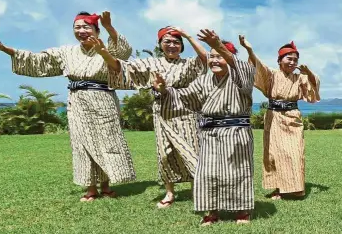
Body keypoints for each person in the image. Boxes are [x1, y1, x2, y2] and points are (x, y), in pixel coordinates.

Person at [0, 11, 136, 202]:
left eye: (86, 27)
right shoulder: (66, 52)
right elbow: (39, 60)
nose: (81, 31)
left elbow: (123, 53)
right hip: (77, 101)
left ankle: (106, 186)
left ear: (96, 30)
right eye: (77, 27)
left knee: (106, 140)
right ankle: (91, 189)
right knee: (82, 144)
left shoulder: (106, 48)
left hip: (103, 100)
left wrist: (110, 28)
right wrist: (6, 50)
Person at [90, 26, 207, 208]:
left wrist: (188, 35)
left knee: (193, 151)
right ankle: (169, 193)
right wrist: (104, 53)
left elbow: (206, 60)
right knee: (165, 154)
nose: (172, 45)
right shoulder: (150, 64)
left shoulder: (189, 63)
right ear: (160, 44)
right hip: (162, 112)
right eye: (167, 41)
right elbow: (122, 68)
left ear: (182, 46)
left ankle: (195, 189)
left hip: (187, 111)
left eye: (176, 42)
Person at [152, 29, 255, 225]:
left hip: (236, 133)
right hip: (209, 134)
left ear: (230, 58)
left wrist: (218, 44)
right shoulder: (204, 80)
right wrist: (164, 89)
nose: (214, 60)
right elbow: (183, 96)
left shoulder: (242, 75)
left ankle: (242, 210)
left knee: (238, 171)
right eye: (212, 57)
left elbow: (241, 67)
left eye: (220, 56)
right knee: (208, 172)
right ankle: (212, 211)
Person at [239, 35, 320, 200]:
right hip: (273, 116)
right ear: (279, 60)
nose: (292, 62)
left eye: (295, 60)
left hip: (292, 118)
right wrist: (248, 49)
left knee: (295, 152)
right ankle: (278, 189)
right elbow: (258, 67)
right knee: (274, 153)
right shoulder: (272, 74)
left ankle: (296, 188)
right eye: (289, 58)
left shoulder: (300, 77)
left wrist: (308, 72)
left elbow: (314, 88)